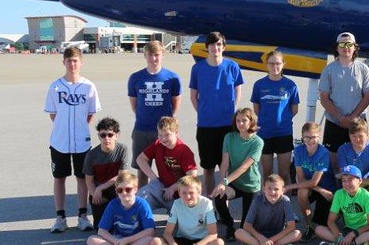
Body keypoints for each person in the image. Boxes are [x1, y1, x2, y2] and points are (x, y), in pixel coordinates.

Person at [45, 45, 101, 233]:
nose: (72, 64)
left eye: (75, 60)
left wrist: (79, 127)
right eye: (69, 61)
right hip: (59, 141)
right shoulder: (55, 86)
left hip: (81, 141)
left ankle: (82, 216)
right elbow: (53, 114)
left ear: (81, 62)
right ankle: (60, 218)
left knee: (82, 177)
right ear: (64, 62)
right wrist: (64, 128)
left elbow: (90, 114)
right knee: (59, 177)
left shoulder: (88, 87)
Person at [189, 31, 244, 199]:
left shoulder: (232, 66)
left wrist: (231, 112)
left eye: (219, 44)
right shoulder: (197, 69)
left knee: (225, 168)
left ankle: (223, 203)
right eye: (212, 44)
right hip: (206, 126)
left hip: (227, 126)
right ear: (207, 47)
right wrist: (203, 113)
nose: (216, 47)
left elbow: (238, 92)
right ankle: (209, 202)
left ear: (224, 47)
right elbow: (193, 96)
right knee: (208, 168)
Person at [127, 40, 182, 187]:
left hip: (164, 132)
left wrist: (167, 123)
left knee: (169, 167)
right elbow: (134, 104)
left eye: (157, 54)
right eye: (150, 55)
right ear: (145, 55)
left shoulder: (172, 78)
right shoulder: (135, 78)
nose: (153, 58)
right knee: (142, 170)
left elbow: (175, 102)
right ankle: (143, 197)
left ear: (163, 55)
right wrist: (143, 117)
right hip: (142, 129)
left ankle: (170, 196)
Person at [317, 32, 369, 172]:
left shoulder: (363, 69)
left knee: (359, 161)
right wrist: (340, 117)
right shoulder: (329, 70)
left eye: (349, 44)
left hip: (357, 123)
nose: (346, 47)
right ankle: (338, 186)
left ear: (355, 48)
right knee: (334, 163)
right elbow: (324, 98)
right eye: (342, 44)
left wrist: (353, 118)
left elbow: (367, 96)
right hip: (334, 122)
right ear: (337, 48)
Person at [150, 175, 225, 245]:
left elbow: (213, 234)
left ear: (199, 192)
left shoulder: (207, 204)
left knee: (219, 243)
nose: (187, 196)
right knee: (155, 242)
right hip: (182, 239)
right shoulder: (177, 204)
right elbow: (167, 233)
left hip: (201, 242)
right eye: (184, 193)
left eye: (191, 192)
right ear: (179, 193)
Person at [214, 108, 264, 241]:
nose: (240, 123)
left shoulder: (258, 142)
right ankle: (229, 225)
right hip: (235, 183)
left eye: (244, 120)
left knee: (244, 229)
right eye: (238, 121)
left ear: (251, 122)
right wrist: (222, 183)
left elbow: (244, 167)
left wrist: (225, 181)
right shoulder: (229, 137)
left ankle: (246, 228)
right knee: (219, 198)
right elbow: (225, 162)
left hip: (251, 186)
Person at [251, 49, 299, 185]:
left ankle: (285, 198)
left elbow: (294, 109)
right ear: (267, 64)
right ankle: (267, 198)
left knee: (284, 173)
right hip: (264, 133)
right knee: (267, 173)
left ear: (283, 64)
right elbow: (256, 109)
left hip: (284, 133)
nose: (274, 67)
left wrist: (282, 120)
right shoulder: (259, 84)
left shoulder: (290, 85)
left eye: (278, 63)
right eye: (271, 63)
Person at [86, 171, 155, 245]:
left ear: (135, 189)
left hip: (135, 239)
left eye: (128, 189)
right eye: (120, 190)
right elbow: (101, 231)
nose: (124, 193)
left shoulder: (142, 204)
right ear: (116, 191)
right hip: (117, 239)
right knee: (91, 240)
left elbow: (150, 231)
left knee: (150, 240)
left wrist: (125, 241)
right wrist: (116, 241)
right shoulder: (113, 204)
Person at [315, 165, 369, 245]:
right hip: (347, 231)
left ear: (360, 181)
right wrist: (339, 237)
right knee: (319, 229)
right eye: (343, 180)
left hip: (363, 231)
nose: (347, 184)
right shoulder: (339, 194)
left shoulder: (367, 196)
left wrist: (353, 234)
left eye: (350, 180)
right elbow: (330, 221)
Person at [135, 116, 198, 213]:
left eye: (167, 135)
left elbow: (192, 176)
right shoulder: (158, 144)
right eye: (160, 135)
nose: (163, 139)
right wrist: (154, 179)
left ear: (176, 132)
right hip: (162, 189)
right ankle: (144, 218)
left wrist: (173, 188)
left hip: (180, 193)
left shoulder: (184, 150)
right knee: (140, 196)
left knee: (182, 216)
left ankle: (176, 213)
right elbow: (140, 159)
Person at [286, 121, 336, 240]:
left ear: (319, 137)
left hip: (328, 189)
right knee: (301, 192)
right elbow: (301, 179)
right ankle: (310, 226)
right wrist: (320, 190)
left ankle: (335, 215)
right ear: (302, 137)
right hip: (317, 189)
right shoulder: (298, 151)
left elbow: (313, 182)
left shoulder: (323, 153)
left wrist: (288, 187)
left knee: (323, 226)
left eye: (313, 137)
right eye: (307, 137)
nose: (310, 140)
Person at [235, 174, 302, 245]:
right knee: (239, 232)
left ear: (283, 190)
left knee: (297, 234)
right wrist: (262, 238)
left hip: (278, 236)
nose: (272, 192)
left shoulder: (285, 201)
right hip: (259, 235)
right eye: (269, 188)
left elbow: (291, 226)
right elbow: (247, 225)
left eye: (276, 189)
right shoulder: (257, 200)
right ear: (264, 189)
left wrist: (270, 240)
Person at [83, 117, 132, 228]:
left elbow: (122, 176)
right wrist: (95, 194)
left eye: (110, 135)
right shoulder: (91, 155)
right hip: (99, 192)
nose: (106, 138)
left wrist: (101, 188)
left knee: (121, 226)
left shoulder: (122, 150)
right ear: (98, 136)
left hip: (117, 189)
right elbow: (89, 181)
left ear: (116, 135)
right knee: (100, 227)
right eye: (103, 135)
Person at [336, 118, 369, 221]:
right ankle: (350, 219)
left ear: (367, 135)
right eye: (354, 136)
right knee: (348, 188)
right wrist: (363, 182)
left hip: (367, 181)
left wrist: (366, 182)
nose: (357, 139)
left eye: (360, 136)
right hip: (349, 182)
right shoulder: (343, 150)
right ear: (349, 136)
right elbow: (344, 174)